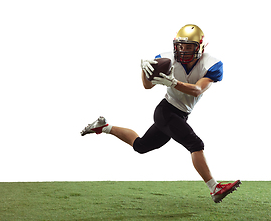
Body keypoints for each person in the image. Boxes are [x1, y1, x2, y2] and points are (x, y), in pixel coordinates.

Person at [81, 24, 241, 203]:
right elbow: (147, 86)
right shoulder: (166, 58)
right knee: (195, 143)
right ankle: (214, 188)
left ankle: (104, 127)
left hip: (181, 114)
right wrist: (144, 70)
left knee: (141, 146)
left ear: (200, 47)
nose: (183, 50)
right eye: (181, 46)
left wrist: (173, 83)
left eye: (189, 47)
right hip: (165, 111)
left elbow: (197, 90)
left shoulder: (211, 64)